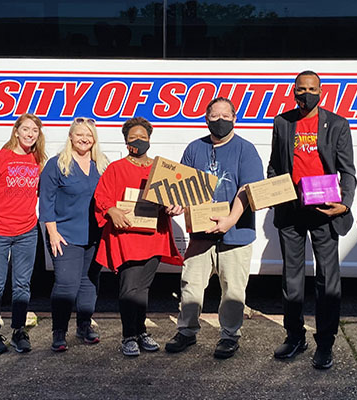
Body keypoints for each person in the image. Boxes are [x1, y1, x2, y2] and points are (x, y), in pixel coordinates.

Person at [267, 71, 357, 369]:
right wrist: (273, 192)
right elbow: (274, 166)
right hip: (291, 210)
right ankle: (295, 336)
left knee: (327, 280)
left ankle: (326, 342)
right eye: (302, 89)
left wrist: (343, 205)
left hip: (324, 210)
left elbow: (348, 172)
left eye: (312, 89)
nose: (307, 94)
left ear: (322, 91)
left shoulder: (338, 124)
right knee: (291, 278)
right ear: (293, 92)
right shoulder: (282, 122)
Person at [165, 98, 264, 359]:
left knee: (232, 289)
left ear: (234, 118)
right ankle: (186, 331)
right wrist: (177, 204)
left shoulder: (246, 149)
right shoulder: (194, 148)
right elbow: (181, 185)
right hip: (200, 232)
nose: (219, 120)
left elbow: (248, 190)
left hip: (236, 233)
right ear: (206, 118)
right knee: (191, 284)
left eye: (225, 115)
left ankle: (229, 336)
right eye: (214, 116)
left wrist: (230, 219)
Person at [93, 117, 184, 357]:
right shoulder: (116, 168)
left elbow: (174, 198)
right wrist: (111, 210)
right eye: (133, 137)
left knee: (142, 289)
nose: (138, 141)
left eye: (143, 137)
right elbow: (101, 198)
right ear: (126, 141)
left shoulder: (160, 169)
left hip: (153, 236)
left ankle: (141, 331)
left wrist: (173, 206)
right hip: (126, 237)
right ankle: (128, 335)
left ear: (150, 140)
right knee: (128, 290)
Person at [0, 113, 47, 354]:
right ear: (16, 131)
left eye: (34, 131)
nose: (30, 134)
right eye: (26, 129)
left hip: (27, 231)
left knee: (22, 286)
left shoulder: (38, 160)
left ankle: (18, 331)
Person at [39, 117, 110, 352]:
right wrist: (52, 233)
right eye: (79, 134)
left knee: (89, 283)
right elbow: (46, 202)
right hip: (65, 235)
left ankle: (84, 326)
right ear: (70, 136)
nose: (84, 139)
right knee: (67, 285)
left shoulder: (102, 164)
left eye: (89, 135)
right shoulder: (57, 164)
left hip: (94, 235)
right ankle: (59, 332)